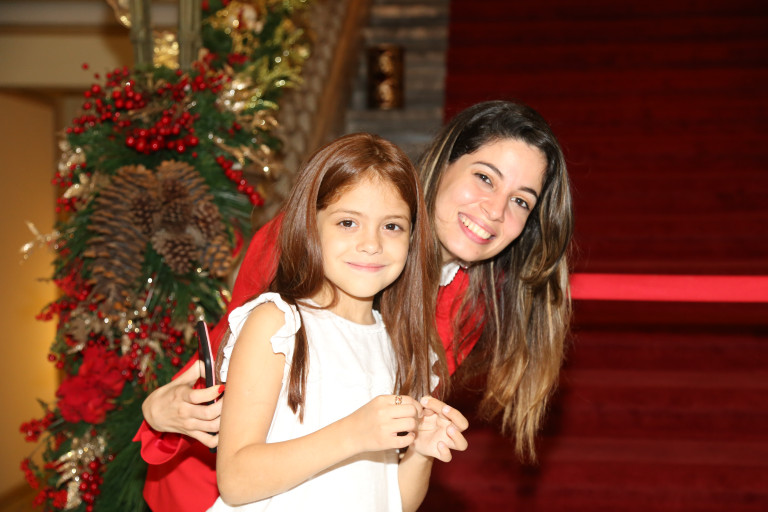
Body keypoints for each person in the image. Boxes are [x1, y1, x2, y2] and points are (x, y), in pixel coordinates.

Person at [135, 100, 574, 510]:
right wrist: (162, 410)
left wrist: (419, 448)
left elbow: (386, 459)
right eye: (485, 178)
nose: (495, 210)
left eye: (520, 201)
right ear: (444, 164)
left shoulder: (468, 307)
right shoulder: (327, 239)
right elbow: (235, 353)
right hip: (220, 482)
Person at [211, 132, 461, 510]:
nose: (371, 243)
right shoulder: (278, 325)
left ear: (412, 238)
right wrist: (354, 434)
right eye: (347, 222)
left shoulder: (405, 347)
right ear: (310, 225)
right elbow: (235, 480)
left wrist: (421, 453)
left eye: (392, 226)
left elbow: (394, 502)